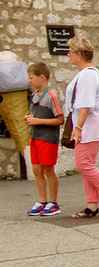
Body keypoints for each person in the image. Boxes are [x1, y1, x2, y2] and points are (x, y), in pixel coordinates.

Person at [64, 35, 99, 218]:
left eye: (70, 51)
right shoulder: (87, 73)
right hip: (90, 125)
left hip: (89, 125)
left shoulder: (88, 75)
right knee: (88, 164)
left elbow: (85, 104)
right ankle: (92, 205)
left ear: (79, 53)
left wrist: (78, 128)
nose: (68, 55)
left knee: (83, 164)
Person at [23, 62, 62, 217]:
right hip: (35, 137)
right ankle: (42, 201)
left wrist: (37, 121)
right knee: (37, 170)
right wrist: (30, 118)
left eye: (31, 77)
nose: (29, 81)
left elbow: (60, 119)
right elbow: (36, 116)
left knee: (48, 169)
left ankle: (53, 202)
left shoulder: (51, 95)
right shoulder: (34, 96)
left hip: (48, 139)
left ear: (42, 77)